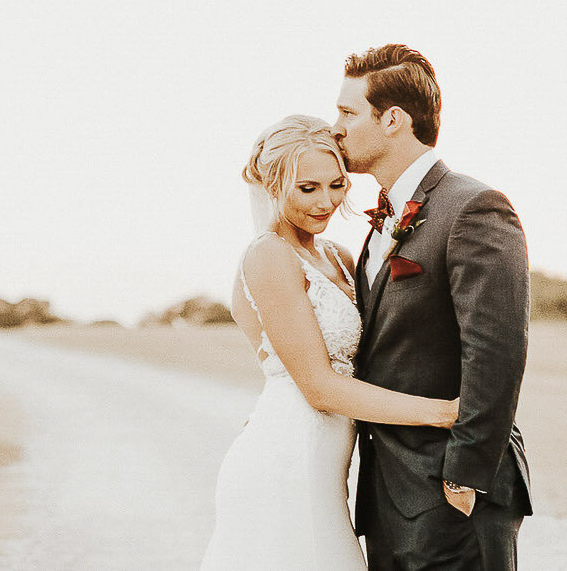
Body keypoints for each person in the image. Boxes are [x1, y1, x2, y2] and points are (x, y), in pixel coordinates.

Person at [199, 115, 458, 571]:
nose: (326, 202)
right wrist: (443, 412)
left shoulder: (335, 254)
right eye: (307, 188)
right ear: (273, 185)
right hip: (286, 460)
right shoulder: (268, 256)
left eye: (336, 184)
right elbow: (319, 388)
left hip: (326, 467)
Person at [334, 45, 533, 571]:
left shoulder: (473, 207)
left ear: (393, 120)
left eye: (347, 113)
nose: (336, 128)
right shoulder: (380, 220)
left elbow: (495, 352)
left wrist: (464, 475)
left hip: (452, 493)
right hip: (388, 492)